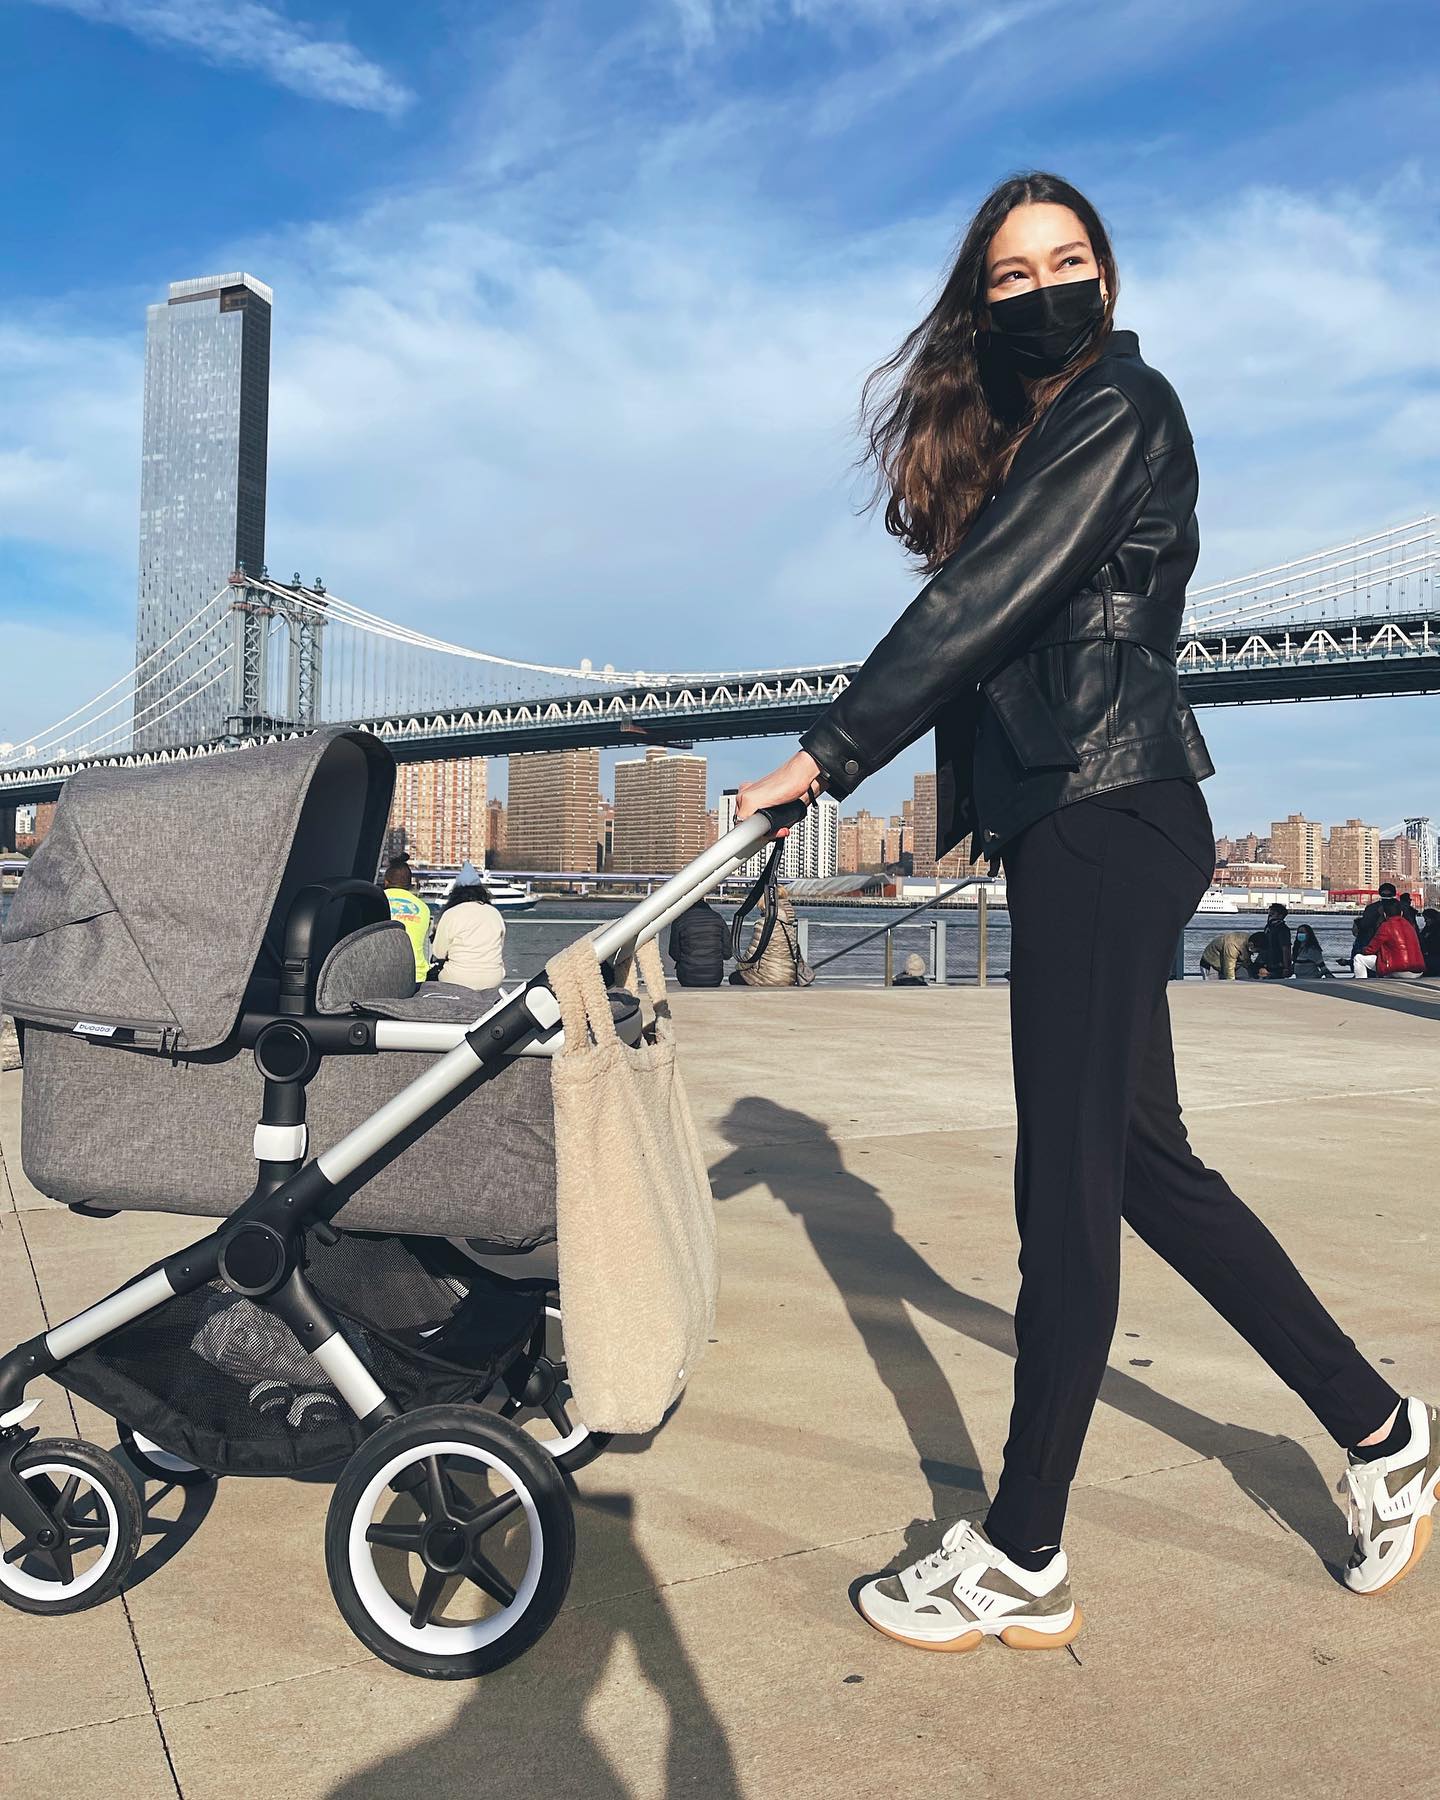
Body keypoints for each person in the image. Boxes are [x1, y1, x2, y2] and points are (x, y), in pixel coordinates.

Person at [735, 171, 1431, 1651]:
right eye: (1010, 274)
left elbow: (982, 602)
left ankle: (1023, 1548)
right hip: (1089, 813)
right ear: (982, 308)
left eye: (1067, 262)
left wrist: (824, 754)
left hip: (1110, 814)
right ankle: (1385, 1432)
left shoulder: (1125, 406)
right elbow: (994, 600)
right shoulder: (1039, 428)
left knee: (1066, 1198)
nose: (1043, 286)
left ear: (1105, 282)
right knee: (1139, 1169)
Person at [430, 861, 506, 991]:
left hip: (457, 978)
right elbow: (500, 945)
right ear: (482, 892)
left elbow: (439, 952)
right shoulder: (494, 913)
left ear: (456, 894)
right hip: (493, 978)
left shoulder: (451, 914)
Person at [728, 887, 811, 987]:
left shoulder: (764, 924)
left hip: (768, 977)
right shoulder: (789, 923)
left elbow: (752, 955)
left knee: (734, 977)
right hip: (789, 977)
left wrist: (739, 966)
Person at [382, 857, 432, 981]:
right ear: (410, 884)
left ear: (386, 882)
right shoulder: (423, 907)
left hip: (381, 975)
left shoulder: (376, 901)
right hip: (415, 976)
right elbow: (425, 946)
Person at [1353, 899, 1425, 982]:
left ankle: (1362, 984)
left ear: (1384, 914)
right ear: (1401, 913)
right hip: (1418, 969)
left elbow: (1371, 949)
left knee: (1358, 959)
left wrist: (1362, 950)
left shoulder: (1386, 926)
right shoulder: (1410, 925)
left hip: (1399, 969)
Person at [665, 896, 729, 987]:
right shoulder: (718, 918)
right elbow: (728, 953)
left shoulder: (680, 920)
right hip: (714, 978)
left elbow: (674, 953)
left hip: (687, 978)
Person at [1352, 881, 1397, 969]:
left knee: (1360, 956)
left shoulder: (1371, 908)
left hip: (1372, 941)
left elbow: (1364, 925)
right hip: (1395, 945)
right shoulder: (1400, 907)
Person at [1255, 902, 1292, 980]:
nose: (1270, 916)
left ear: (1280, 916)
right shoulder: (1268, 927)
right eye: (1269, 913)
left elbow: (1286, 948)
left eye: (1272, 913)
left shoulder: (1282, 929)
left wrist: (1286, 967)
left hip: (1277, 964)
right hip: (1265, 963)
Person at [1419, 907, 1440, 977]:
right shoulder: (1428, 928)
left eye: (1426, 919)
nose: (1425, 921)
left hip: (1434, 955)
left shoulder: (1436, 928)